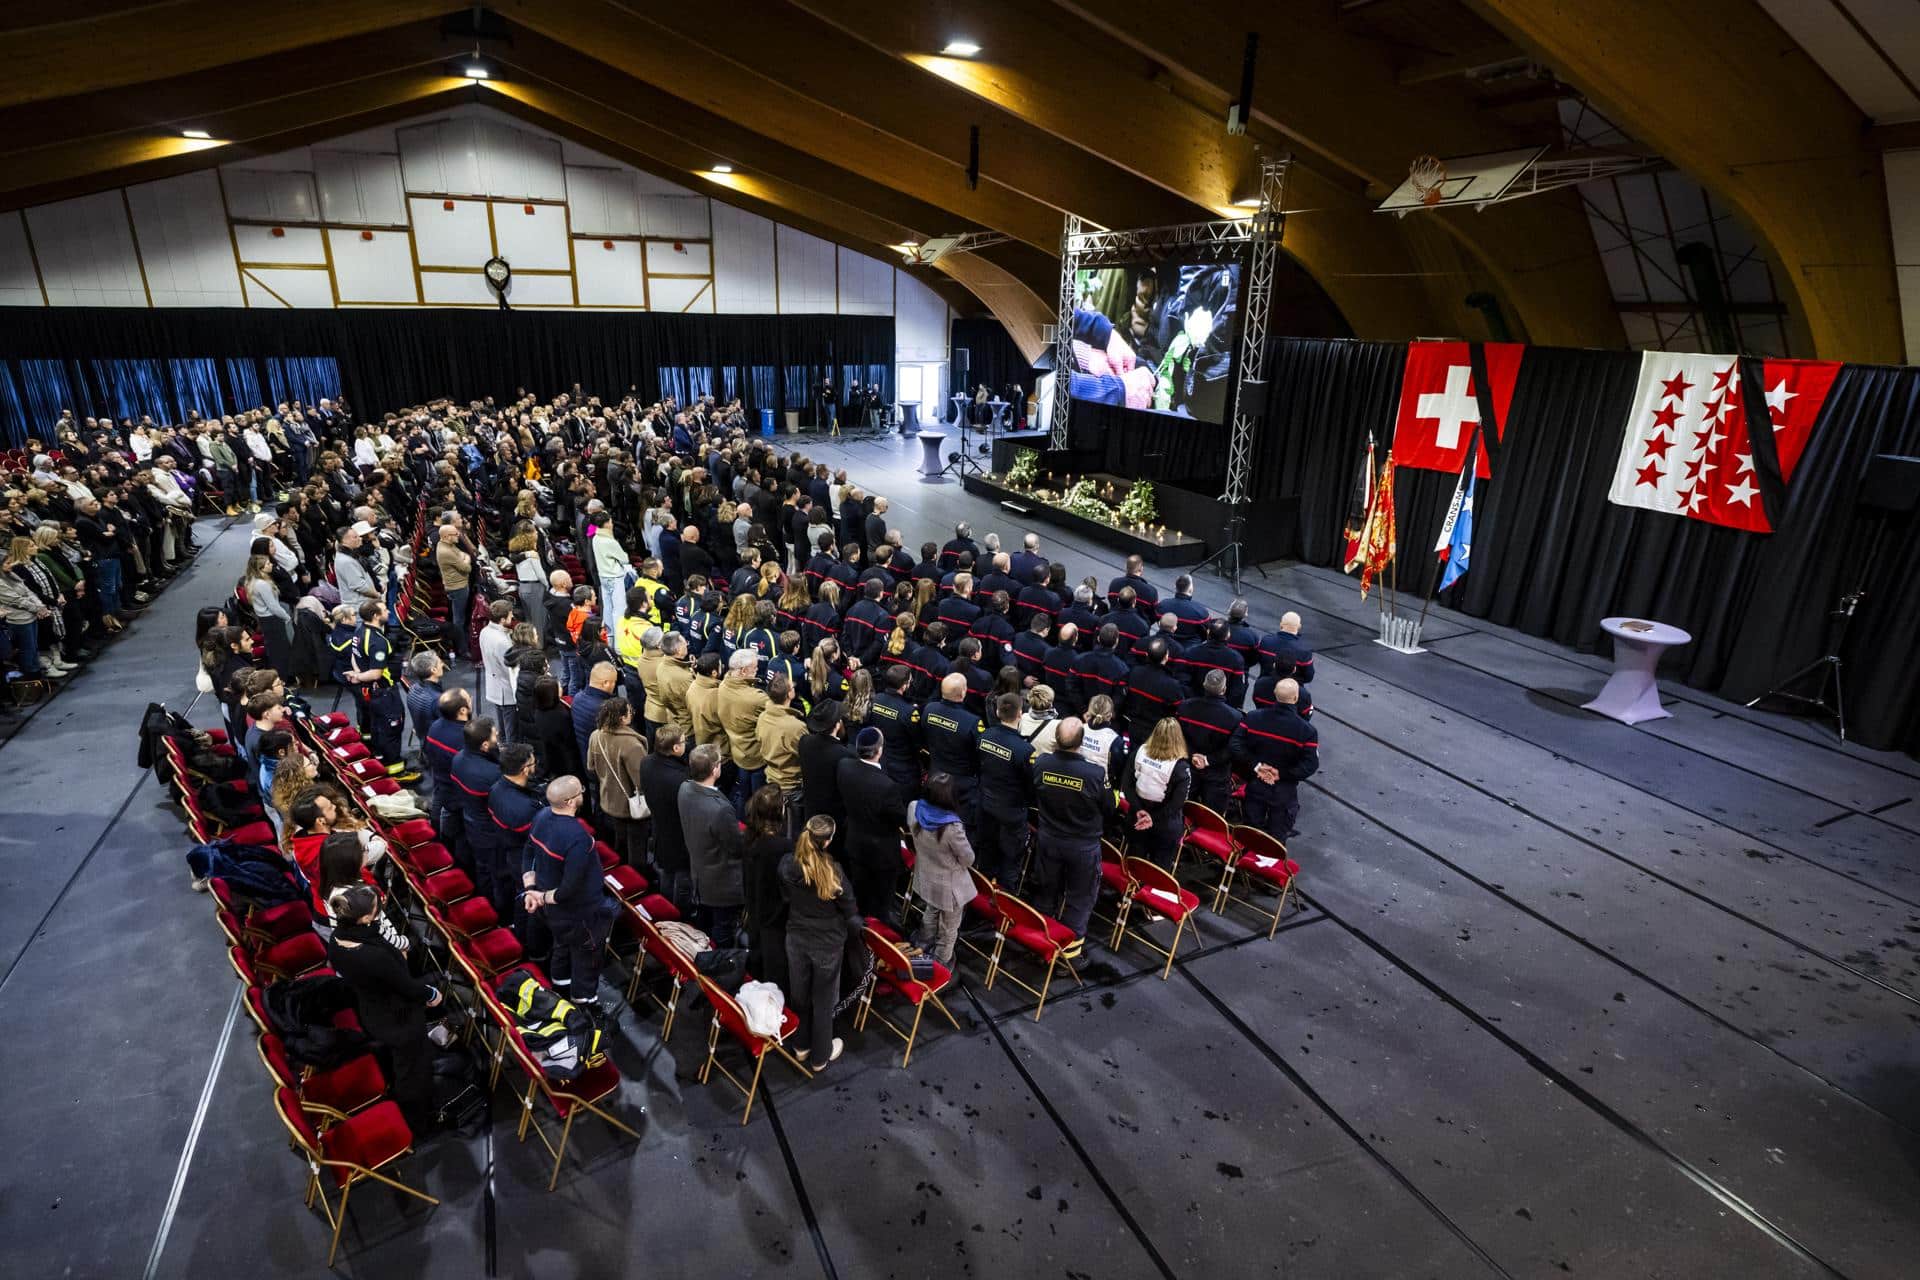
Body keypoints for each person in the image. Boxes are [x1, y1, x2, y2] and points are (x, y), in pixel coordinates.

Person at [325, 883, 442, 1132]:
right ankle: (418, 1122)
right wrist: (431, 993)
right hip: (399, 1020)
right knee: (412, 1071)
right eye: (376, 910)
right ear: (364, 918)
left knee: (401, 1064)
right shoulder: (373, 955)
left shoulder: (336, 940)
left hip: (371, 1011)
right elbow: (406, 986)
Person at [522, 775, 618, 1009]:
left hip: (553, 911)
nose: (583, 793)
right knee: (587, 958)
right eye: (580, 791)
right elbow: (570, 887)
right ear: (570, 802)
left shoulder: (541, 817)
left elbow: (528, 853)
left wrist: (531, 891)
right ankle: (585, 1003)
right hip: (580, 914)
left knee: (562, 947)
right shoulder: (578, 838)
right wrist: (543, 897)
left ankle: (561, 992)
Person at [1031, 717, 1120, 946]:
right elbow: (1110, 807)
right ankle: (1070, 950)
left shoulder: (1041, 763)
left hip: (1048, 839)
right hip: (1082, 845)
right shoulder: (1095, 774)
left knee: (1046, 892)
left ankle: (1040, 942)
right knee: (1080, 898)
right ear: (1081, 742)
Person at [779, 814, 859, 1067]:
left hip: (796, 938)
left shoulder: (787, 865)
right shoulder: (833, 871)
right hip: (827, 943)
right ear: (827, 842)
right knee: (823, 1001)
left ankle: (801, 1045)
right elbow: (849, 908)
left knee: (799, 995)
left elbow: (785, 896)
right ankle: (820, 1056)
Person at [835, 725, 908, 926]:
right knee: (882, 904)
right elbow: (900, 819)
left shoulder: (844, 766)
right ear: (879, 751)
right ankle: (877, 934)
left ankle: (861, 927)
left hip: (855, 844)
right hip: (882, 854)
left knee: (860, 895)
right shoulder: (887, 786)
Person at [1231, 677, 1319, 841]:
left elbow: (1236, 744)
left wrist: (1256, 766)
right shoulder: (1307, 731)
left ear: (1275, 694)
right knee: (1276, 838)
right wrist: (1282, 774)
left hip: (1256, 783)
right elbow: (1310, 764)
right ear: (1296, 698)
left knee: (1250, 833)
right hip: (1284, 791)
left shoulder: (1253, 718)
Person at [679, 743, 745, 944]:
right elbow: (736, 847)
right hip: (722, 884)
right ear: (715, 769)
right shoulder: (720, 809)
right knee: (723, 931)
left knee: (705, 924)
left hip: (700, 875)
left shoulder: (684, 788)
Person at [909, 773, 976, 967]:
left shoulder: (914, 807)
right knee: (949, 928)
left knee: (931, 910)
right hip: (950, 887)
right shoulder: (952, 827)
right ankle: (941, 963)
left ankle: (923, 944)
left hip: (926, 876)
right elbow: (968, 859)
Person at [975, 693, 1036, 885]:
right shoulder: (1025, 750)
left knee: (986, 858)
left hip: (985, 805)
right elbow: (1031, 786)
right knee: (1010, 863)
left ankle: (982, 895)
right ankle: (1004, 900)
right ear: (1020, 714)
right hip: (1012, 813)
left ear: (997, 712)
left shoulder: (984, 736)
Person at [587, 695, 649, 868]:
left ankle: (620, 870)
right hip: (631, 805)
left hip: (608, 798)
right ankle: (638, 876)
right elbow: (641, 780)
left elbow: (591, 766)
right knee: (637, 845)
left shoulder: (595, 736)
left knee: (620, 840)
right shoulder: (631, 744)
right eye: (630, 711)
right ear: (622, 718)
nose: (632, 714)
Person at [482, 743, 541, 920]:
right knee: (530, 904)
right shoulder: (524, 809)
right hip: (524, 859)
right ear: (525, 769)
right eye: (533, 763)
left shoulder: (495, 789)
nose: (536, 766)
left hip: (506, 850)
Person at [743, 784, 792, 992]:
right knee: (775, 974)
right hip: (775, 919)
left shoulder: (749, 836)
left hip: (755, 911)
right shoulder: (783, 847)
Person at [1125, 717, 1192, 868]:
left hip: (1136, 816)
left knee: (1134, 864)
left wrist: (1139, 810)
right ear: (1178, 738)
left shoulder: (1139, 752)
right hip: (1164, 824)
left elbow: (1127, 786)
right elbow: (1177, 803)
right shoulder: (1181, 767)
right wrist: (1152, 818)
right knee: (1158, 871)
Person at [641, 725, 692, 911]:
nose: (686, 744)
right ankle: (680, 913)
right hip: (679, 835)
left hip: (659, 827)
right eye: (684, 741)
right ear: (676, 748)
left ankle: (665, 907)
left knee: (667, 873)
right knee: (683, 878)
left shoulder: (646, 762)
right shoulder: (680, 779)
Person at [716, 648, 770, 814]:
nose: (757, 670)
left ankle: (741, 820)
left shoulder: (724, 685)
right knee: (759, 799)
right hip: (756, 756)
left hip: (737, 751)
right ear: (744, 671)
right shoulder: (756, 698)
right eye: (754, 668)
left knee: (743, 793)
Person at [757, 672, 806, 805]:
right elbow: (806, 754)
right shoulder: (796, 726)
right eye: (792, 687)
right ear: (789, 694)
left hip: (771, 778)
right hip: (792, 786)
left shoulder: (762, 717)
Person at [478, 598, 518, 741]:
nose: (512, 618)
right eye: (510, 616)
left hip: (494, 686)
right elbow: (509, 669)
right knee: (511, 732)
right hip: (506, 690)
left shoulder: (484, 631)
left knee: (503, 728)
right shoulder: (502, 641)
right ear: (502, 619)